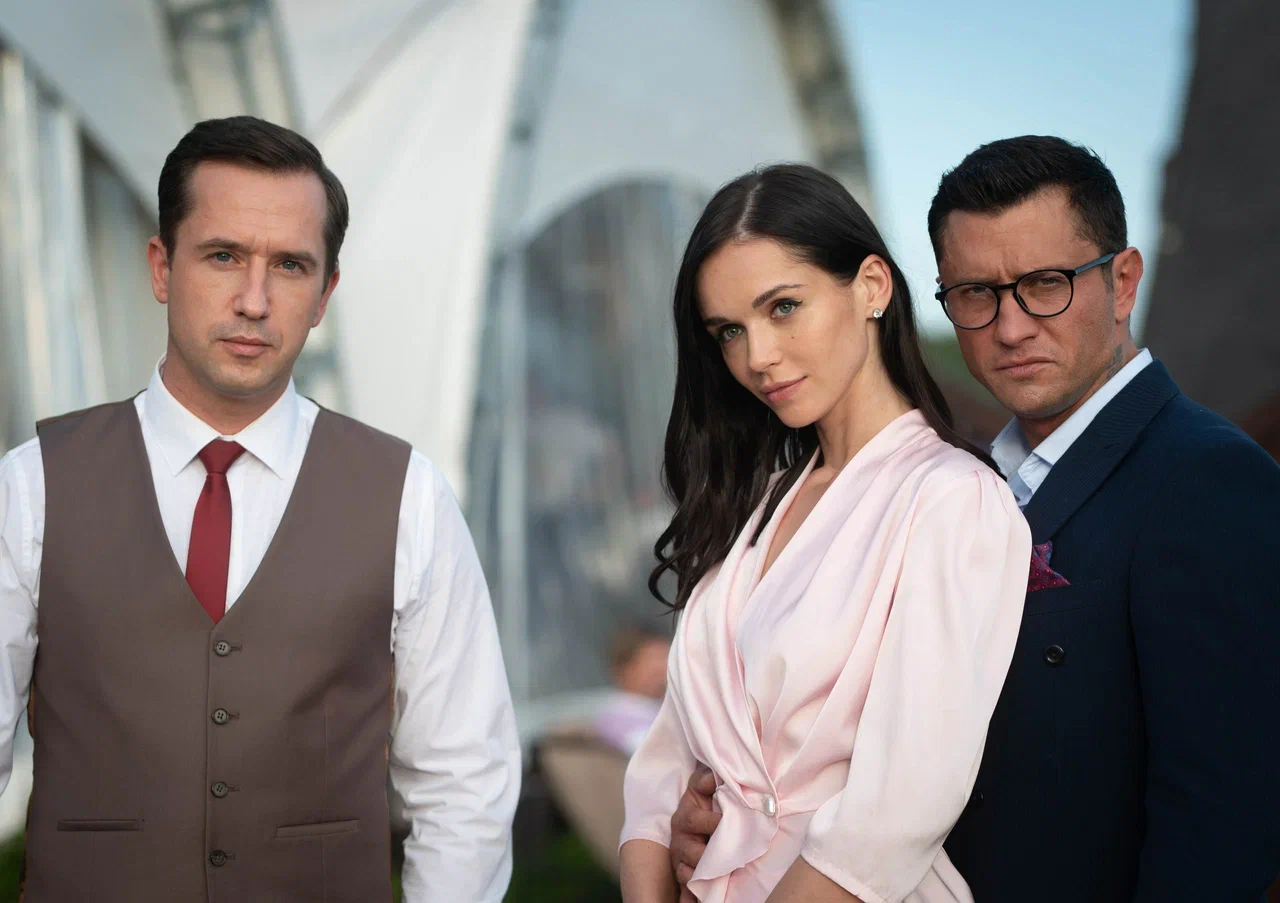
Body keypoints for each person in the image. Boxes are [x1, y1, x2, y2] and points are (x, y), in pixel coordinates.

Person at [667, 137, 1280, 902]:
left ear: (1123, 282)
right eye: (975, 293)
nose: (1011, 327)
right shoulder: (959, 478)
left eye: (1046, 284)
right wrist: (718, 814)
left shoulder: (1205, 480)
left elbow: (1222, 828)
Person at [0, 116, 521, 901]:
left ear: (324, 294)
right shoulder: (33, 485)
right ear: (161, 267)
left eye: (290, 265)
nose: (254, 300)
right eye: (223, 256)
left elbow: (465, 782)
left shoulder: (408, 496)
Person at [618, 164, 1031, 903]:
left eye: (783, 307)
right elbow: (663, 764)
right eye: (729, 331)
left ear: (871, 286)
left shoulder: (952, 501)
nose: (757, 357)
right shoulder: (752, 505)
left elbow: (901, 804)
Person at [593, 627, 671, 755]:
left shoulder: (659, 709)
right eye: (651, 661)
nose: (662, 668)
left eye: (666, 658)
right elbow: (656, 755)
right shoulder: (620, 718)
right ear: (624, 669)